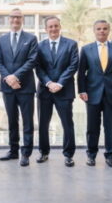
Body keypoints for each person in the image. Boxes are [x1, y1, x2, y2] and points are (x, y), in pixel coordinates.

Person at [78, 20, 112, 168]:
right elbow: (81, 72)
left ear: (108, 30)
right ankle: (91, 155)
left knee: (110, 126)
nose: (102, 31)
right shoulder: (86, 49)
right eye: (99, 29)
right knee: (92, 127)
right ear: (94, 31)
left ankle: (110, 155)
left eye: (105, 28)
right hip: (92, 94)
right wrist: (82, 90)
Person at [0, 8, 38, 166]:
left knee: (27, 121)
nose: (15, 20)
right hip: (8, 87)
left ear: (22, 19)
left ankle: (25, 153)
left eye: (18, 17)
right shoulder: (1, 40)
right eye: (13, 17)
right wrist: (8, 78)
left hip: (25, 87)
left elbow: (32, 60)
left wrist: (15, 76)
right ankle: (13, 151)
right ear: (9, 19)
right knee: (12, 121)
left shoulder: (31, 39)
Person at [34, 16, 79, 167]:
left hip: (64, 90)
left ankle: (68, 155)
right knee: (43, 124)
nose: (53, 29)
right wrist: (49, 83)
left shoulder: (71, 44)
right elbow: (38, 67)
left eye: (56, 26)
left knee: (67, 123)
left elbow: (73, 66)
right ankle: (43, 152)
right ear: (46, 29)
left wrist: (59, 83)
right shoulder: (39, 46)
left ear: (60, 27)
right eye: (50, 27)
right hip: (45, 91)